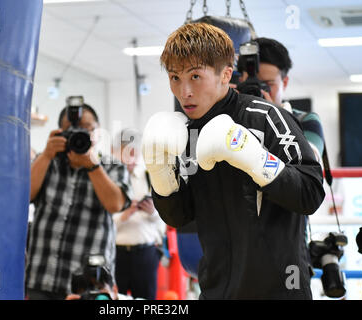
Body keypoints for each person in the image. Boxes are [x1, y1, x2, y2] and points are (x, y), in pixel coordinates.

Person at [142, 22, 325, 299]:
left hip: (280, 291)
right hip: (217, 291)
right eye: (175, 78)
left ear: (226, 74)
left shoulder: (265, 118)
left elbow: (310, 193)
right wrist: (160, 173)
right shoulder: (184, 134)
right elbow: (179, 216)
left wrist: (255, 158)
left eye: (195, 77)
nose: (184, 92)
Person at [26, 102, 133, 300]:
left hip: (89, 285)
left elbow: (115, 204)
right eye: (71, 130)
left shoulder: (112, 167)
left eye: (86, 129)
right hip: (42, 277)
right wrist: (47, 155)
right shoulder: (46, 162)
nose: (79, 135)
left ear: (98, 132)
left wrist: (92, 166)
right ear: (59, 133)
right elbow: (25, 196)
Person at [238, 37, 325, 164]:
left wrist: (274, 116)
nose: (259, 91)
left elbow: (310, 160)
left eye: (267, 84)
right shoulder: (230, 118)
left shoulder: (306, 120)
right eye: (251, 84)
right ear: (241, 81)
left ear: (284, 83)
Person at [111, 128, 166, 300]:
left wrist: (153, 212)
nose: (131, 157)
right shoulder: (110, 181)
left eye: (134, 152)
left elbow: (165, 219)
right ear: (115, 152)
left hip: (146, 254)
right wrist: (123, 216)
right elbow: (102, 222)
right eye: (126, 152)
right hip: (117, 255)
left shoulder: (150, 178)